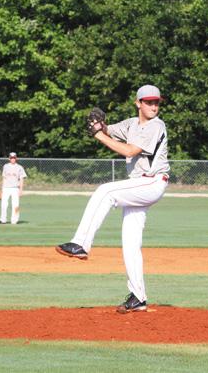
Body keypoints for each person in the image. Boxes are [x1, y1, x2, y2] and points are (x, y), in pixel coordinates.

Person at [55, 84, 170, 314]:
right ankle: (138, 297)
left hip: (152, 181)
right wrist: (101, 127)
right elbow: (110, 131)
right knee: (130, 242)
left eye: (156, 102)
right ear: (138, 103)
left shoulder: (156, 126)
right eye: (148, 102)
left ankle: (81, 244)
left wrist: (97, 134)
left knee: (105, 191)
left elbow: (129, 151)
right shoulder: (131, 124)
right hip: (140, 185)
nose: (153, 106)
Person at [0, 152, 27, 225]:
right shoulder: (5, 166)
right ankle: (3, 219)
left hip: (15, 188)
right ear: (9, 158)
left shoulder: (19, 167)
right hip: (6, 188)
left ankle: (14, 220)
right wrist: (1, 189)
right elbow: (4, 178)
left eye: (14, 157)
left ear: (16, 158)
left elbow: (21, 179)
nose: (13, 159)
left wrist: (21, 190)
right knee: (4, 204)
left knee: (16, 205)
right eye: (11, 158)